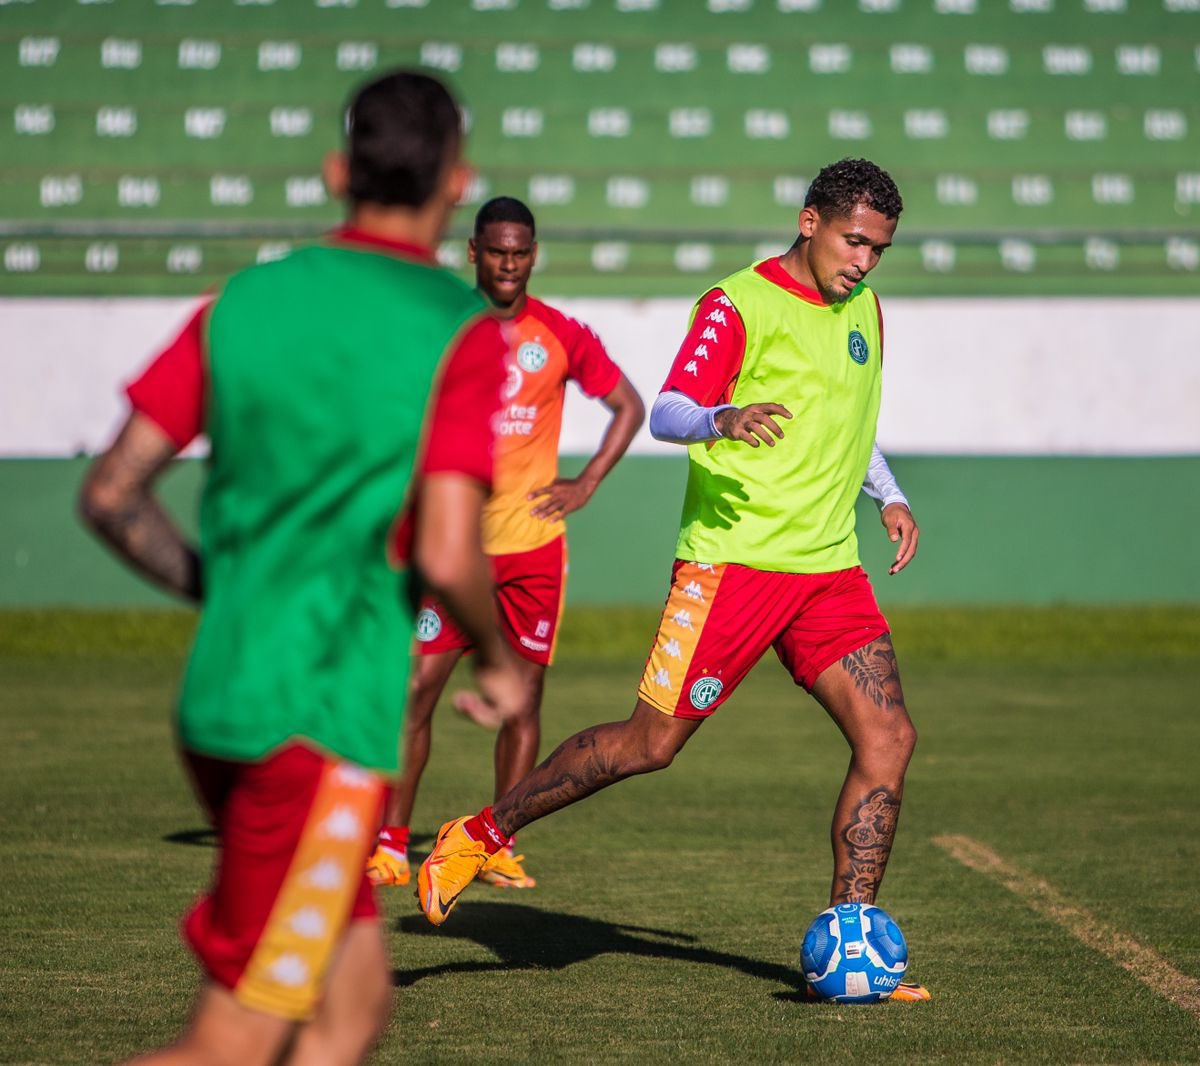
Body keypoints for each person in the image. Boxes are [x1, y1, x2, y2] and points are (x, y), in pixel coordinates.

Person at [78, 71, 527, 1065]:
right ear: (458, 183)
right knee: (235, 1039)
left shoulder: (244, 302)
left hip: (223, 700)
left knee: (350, 1008)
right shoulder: (455, 328)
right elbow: (452, 548)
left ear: (336, 172)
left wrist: (221, 585)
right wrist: (499, 658)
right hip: (317, 720)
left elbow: (111, 492)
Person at [414, 158, 931, 1001]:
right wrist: (723, 417)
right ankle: (481, 830)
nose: (864, 263)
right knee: (648, 746)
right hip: (730, 564)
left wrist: (892, 496)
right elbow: (667, 410)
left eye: (878, 250)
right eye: (854, 242)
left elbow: (849, 418)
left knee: (890, 740)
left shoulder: (863, 309)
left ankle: (854, 945)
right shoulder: (738, 304)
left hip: (828, 569)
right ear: (810, 221)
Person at [364, 196, 644, 891]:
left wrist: (588, 483)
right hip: (452, 545)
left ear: (534, 253)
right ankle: (390, 842)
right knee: (417, 689)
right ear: (473, 251)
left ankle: (493, 843)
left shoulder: (558, 333)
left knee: (523, 698)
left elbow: (628, 406)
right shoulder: (440, 328)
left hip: (533, 550)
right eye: (498, 252)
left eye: (521, 253)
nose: (510, 264)